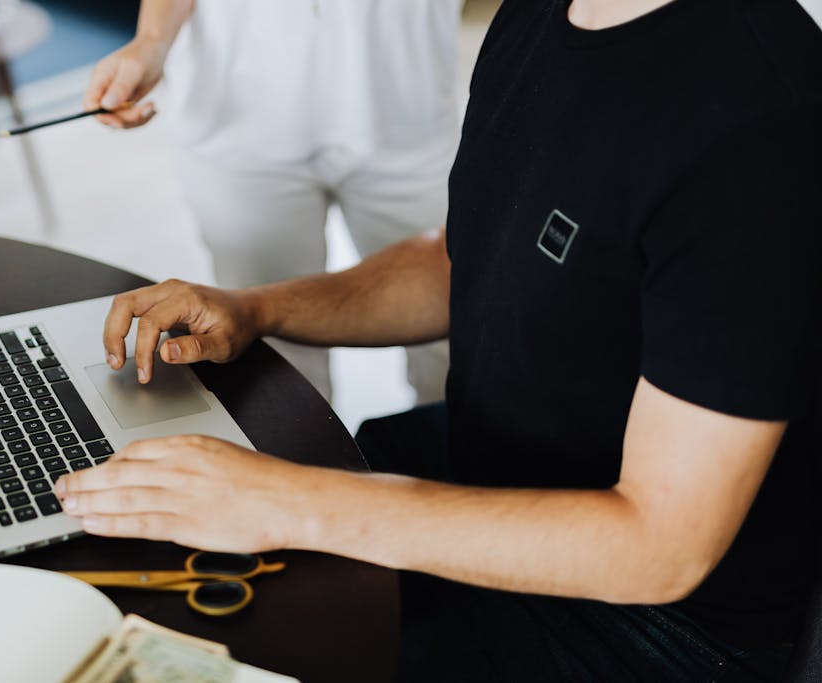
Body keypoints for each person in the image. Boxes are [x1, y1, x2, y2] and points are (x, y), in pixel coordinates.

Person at [58, 0, 822, 678]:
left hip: (647, 621)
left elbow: (661, 546)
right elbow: (463, 257)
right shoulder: (541, 18)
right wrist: (257, 308)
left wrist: (293, 501)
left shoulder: (757, 119)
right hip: (487, 472)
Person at [83, 0, 460, 402]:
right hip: (236, 117)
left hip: (405, 102)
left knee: (452, 327)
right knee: (270, 345)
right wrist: (152, 40)